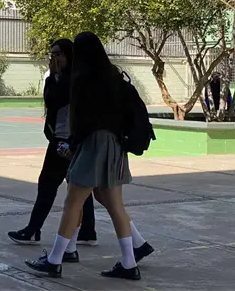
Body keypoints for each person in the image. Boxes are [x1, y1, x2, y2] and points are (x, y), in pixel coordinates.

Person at [25, 32, 154, 281]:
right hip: (116, 146)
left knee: (72, 203)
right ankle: (129, 263)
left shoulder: (84, 80)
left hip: (94, 144)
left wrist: (72, 147)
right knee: (114, 204)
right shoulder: (114, 76)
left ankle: (54, 260)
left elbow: (82, 121)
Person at [8, 39, 98, 249]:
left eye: (58, 54)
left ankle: (33, 229)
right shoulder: (68, 78)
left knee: (48, 185)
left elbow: (55, 100)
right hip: (66, 138)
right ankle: (87, 231)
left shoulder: (72, 80)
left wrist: (53, 76)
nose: (54, 58)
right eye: (52, 54)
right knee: (79, 187)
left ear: (69, 55)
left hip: (65, 140)